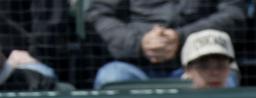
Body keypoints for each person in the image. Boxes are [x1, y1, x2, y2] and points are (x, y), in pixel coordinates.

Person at [87, 0, 245, 89]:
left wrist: (181, 38)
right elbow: (99, 15)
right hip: (133, 65)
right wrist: (140, 43)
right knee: (111, 78)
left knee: (224, 80)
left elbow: (233, 14)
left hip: (199, 63)